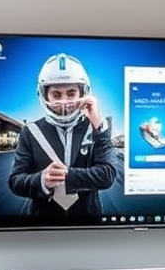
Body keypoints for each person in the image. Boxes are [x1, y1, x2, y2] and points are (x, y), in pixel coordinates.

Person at [8, 53, 117, 221]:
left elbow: (108, 175)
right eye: (56, 94)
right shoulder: (30, 131)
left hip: (90, 224)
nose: (64, 102)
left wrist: (98, 124)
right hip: (42, 225)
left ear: (83, 93)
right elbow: (15, 181)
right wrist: (41, 180)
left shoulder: (95, 128)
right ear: (45, 95)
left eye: (71, 93)